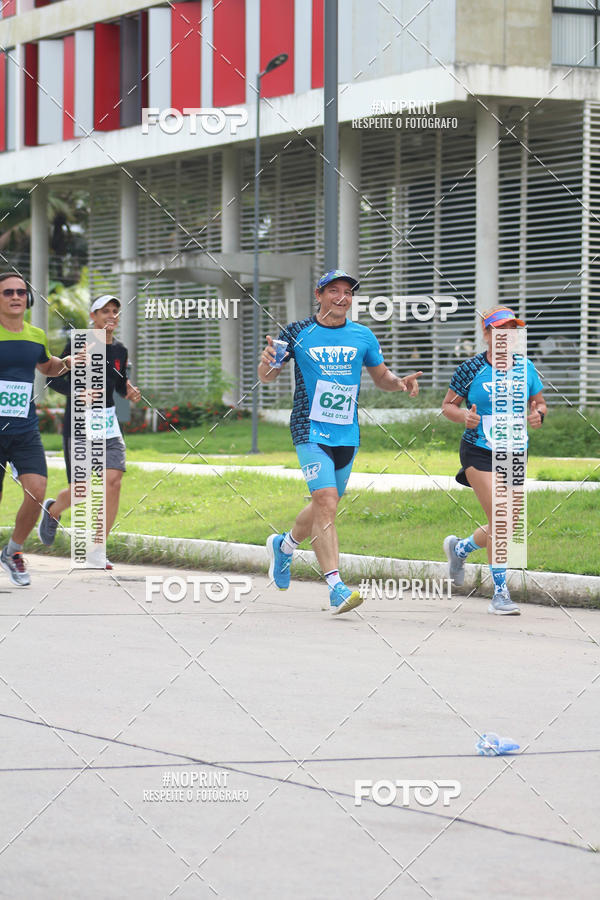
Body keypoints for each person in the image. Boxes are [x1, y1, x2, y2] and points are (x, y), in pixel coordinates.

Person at [258, 269, 422, 615]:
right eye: (333, 291)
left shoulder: (362, 335)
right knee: (326, 499)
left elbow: (382, 378)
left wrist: (401, 383)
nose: (342, 297)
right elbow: (269, 376)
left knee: (325, 505)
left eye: (347, 292)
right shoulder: (298, 332)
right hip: (309, 428)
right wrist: (266, 362)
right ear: (319, 296)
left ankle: (284, 547)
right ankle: (335, 586)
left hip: (347, 432)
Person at [441, 306, 546, 615]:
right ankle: (500, 592)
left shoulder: (526, 366)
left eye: (512, 331)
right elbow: (448, 406)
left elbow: (539, 402)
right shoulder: (470, 368)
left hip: (514, 450)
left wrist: (538, 414)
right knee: (501, 517)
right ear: (487, 334)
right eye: (501, 330)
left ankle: (460, 548)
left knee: (507, 523)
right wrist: (464, 416)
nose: (507, 337)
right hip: (478, 450)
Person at [37, 295, 141, 569]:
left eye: (115, 311)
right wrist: (78, 392)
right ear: (92, 316)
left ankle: (97, 549)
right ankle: (53, 510)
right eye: (105, 311)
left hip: (108, 426)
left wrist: (128, 390)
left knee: (113, 481)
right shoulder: (80, 343)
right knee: (81, 491)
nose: (111, 315)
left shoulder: (120, 350)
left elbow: (117, 384)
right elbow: (53, 380)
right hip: (80, 426)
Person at [0, 272, 84, 586]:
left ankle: (13, 552)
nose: (15, 297)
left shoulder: (35, 335)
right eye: (8, 292)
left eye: (21, 292)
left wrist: (66, 362)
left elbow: (46, 365)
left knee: (36, 492)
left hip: (24, 427)